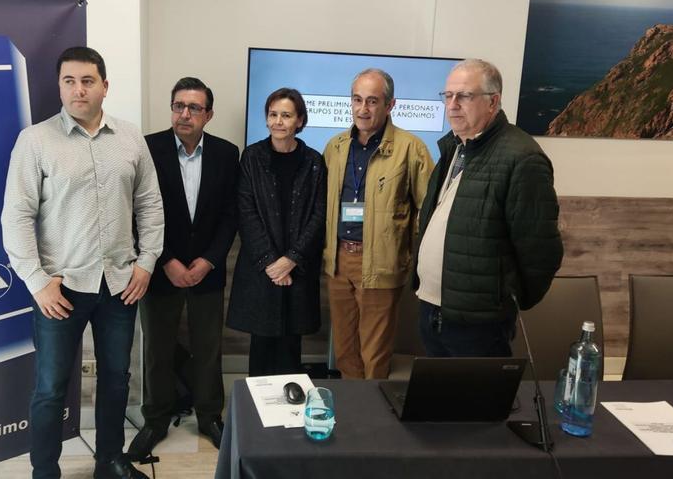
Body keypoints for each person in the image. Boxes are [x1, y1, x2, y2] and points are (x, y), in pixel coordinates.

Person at [1, 46, 162, 479]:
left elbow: (149, 205)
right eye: (69, 81)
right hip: (61, 288)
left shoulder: (130, 139)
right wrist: (38, 282)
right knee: (51, 389)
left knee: (115, 379)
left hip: (119, 284)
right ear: (59, 87)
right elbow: (15, 216)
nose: (78, 89)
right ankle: (45, 471)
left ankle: (109, 460)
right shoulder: (34, 141)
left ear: (104, 86)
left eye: (87, 80)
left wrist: (146, 263)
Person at [414, 58, 563, 357]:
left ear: (493, 101)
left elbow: (541, 251)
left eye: (465, 96)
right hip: (433, 309)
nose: (453, 104)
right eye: (448, 95)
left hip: (478, 323)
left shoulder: (522, 158)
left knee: (478, 404)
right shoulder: (455, 146)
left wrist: (503, 299)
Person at [127, 77, 239, 458]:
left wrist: (208, 261)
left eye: (193, 108)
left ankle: (210, 415)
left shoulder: (227, 153)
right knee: (157, 349)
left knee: (209, 348)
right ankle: (155, 419)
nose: (184, 114)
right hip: (160, 269)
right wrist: (167, 261)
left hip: (207, 269)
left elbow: (230, 215)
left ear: (209, 114)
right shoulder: (147, 148)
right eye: (178, 106)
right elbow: (138, 213)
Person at [323, 69, 434, 380]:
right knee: (345, 350)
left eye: (372, 101)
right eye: (357, 99)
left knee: (374, 355)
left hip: (380, 264)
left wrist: (403, 251)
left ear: (390, 105)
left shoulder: (411, 149)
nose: (363, 109)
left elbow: (428, 212)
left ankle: (373, 423)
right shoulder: (335, 147)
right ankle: (351, 417)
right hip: (338, 262)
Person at [227, 88, 327, 377]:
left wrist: (291, 259)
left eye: (286, 115)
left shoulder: (314, 161)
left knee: (290, 348)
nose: (278, 121)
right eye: (273, 114)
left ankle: (288, 417)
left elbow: (318, 215)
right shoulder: (252, 157)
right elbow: (246, 213)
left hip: (297, 268)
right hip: (262, 268)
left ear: (300, 120)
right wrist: (272, 262)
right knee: (261, 346)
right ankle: (257, 417)